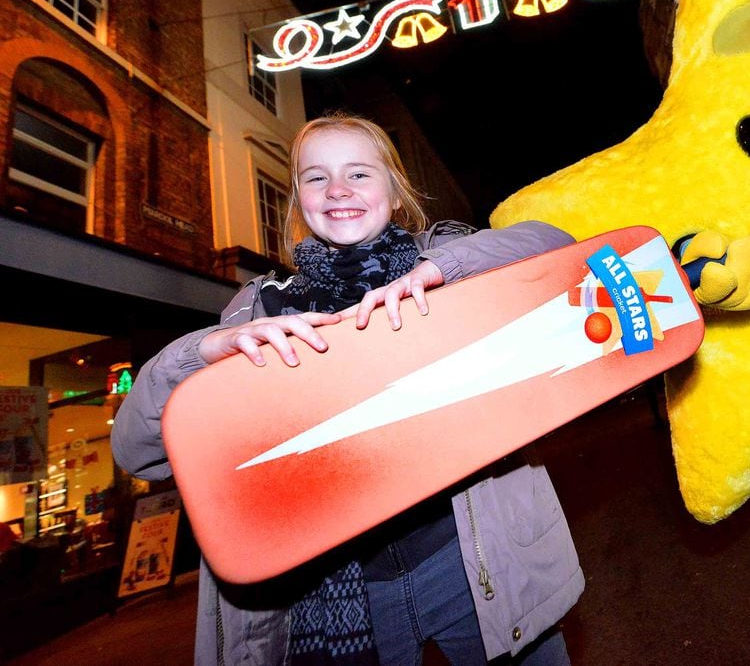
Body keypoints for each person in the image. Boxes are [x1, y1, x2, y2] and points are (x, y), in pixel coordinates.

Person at [112, 114, 583, 666]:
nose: (337, 190)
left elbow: (555, 246)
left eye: (359, 173)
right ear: (297, 200)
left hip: (471, 563)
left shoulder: (449, 254)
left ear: (394, 190)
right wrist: (202, 352)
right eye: (316, 178)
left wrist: (442, 270)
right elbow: (137, 453)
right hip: (341, 596)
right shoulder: (260, 306)